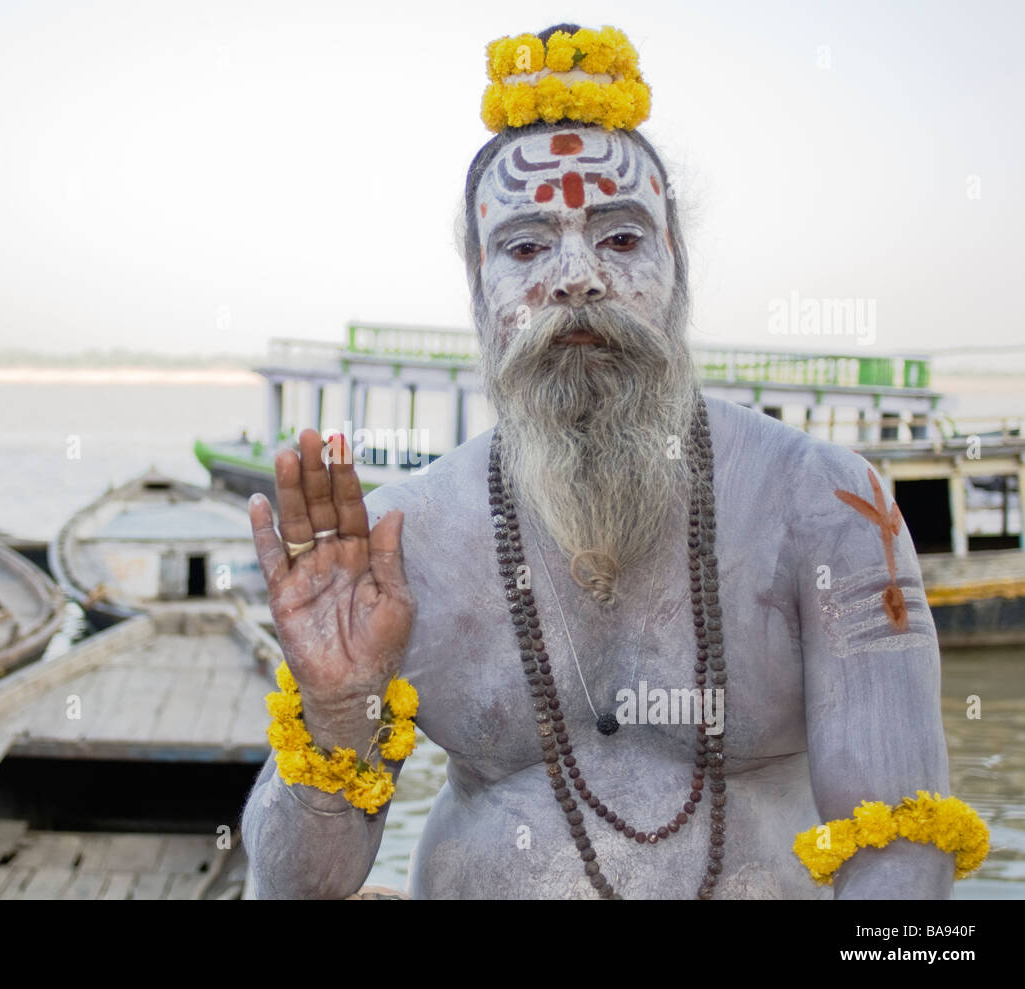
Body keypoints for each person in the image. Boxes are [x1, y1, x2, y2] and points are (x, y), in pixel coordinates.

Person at [239, 23, 986, 899]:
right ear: (479, 289)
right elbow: (287, 889)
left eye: (622, 238)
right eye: (525, 247)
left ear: (679, 264)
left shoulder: (827, 507)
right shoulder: (407, 541)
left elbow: (904, 848)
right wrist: (337, 709)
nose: (577, 277)